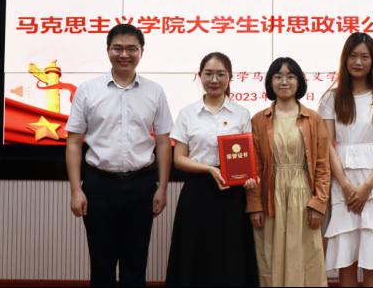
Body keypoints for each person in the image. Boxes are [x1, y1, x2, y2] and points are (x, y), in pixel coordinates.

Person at [65, 23, 173, 287]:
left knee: (135, 264)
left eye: (131, 49)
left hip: (141, 185)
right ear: (108, 51)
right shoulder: (88, 90)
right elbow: (74, 143)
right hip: (99, 185)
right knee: (101, 264)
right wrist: (76, 190)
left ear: (141, 51)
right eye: (118, 48)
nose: (124, 54)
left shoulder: (155, 91)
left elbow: (163, 142)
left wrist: (162, 188)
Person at [165, 52, 259, 287]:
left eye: (220, 74)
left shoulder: (242, 114)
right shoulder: (187, 113)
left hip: (232, 193)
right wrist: (209, 169)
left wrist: (249, 178)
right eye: (208, 74)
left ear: (230, 77)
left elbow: (246, 158)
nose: (214, 80)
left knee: (230, 255)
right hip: (197, 192)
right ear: (200, 76)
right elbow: (179, 159)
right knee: (195, 254)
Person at [319, 32, 373, 287]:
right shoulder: (331, 98)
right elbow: (327, 144)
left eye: (364, 57)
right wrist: (345, 184)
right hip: (342, 181)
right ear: (345, 59)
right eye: (353, 56)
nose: (358, 62)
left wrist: (367, 187)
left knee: (372, 260)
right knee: (346, 259)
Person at [247, 57, 330, 287]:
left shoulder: (313, 119)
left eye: (290, 76)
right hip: (270, 195)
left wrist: (319, 203)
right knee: (269, 257)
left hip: (303, 196)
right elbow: (255, 167)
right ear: (270, 82)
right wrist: (255, 205)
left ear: (299, 81)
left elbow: (323, 165)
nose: (284, 81)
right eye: (278, 76)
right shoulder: (259, 120)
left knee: (305, 257)